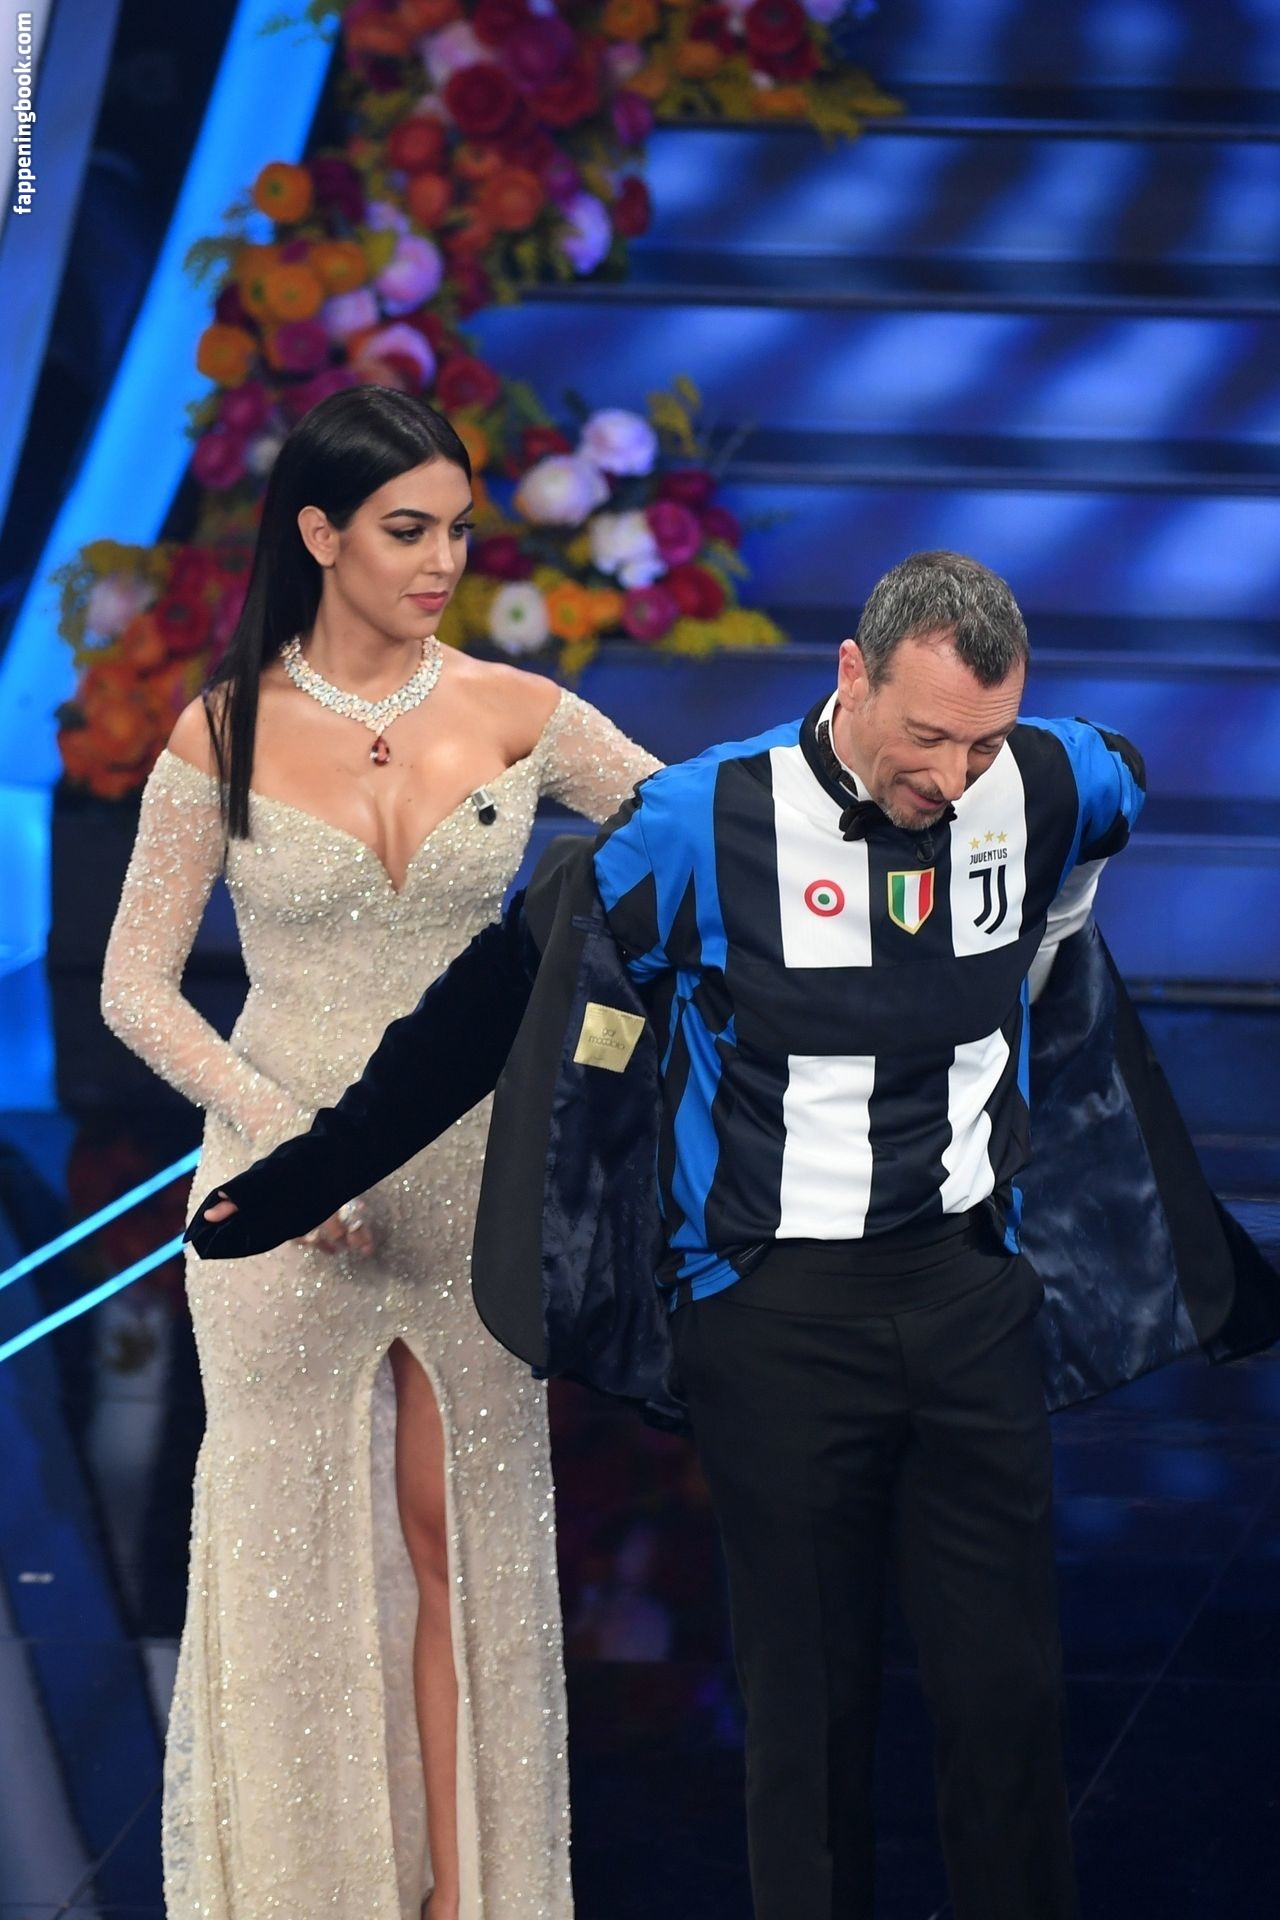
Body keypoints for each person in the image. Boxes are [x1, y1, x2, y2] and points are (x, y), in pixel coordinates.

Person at [186, 551, 1279, 1920]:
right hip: (775, 1322)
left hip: (967, 1299)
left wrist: (1057, 934)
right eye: (926, 736)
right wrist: (314, 1170)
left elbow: (1114, 791)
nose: (952, 776)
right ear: (851, 674)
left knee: (1010, 1705)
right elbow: (500, 994)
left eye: (983, 743)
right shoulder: (698, 825)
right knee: (807, 1721)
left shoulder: (1049, 780)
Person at [101, 385, 660, 1920]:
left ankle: (470, 1896)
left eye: (459, 531)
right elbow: (134, 986)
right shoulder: (220, 732)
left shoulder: (519, 711)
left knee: (461, 1541)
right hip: (282, 1191)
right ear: (320, 533)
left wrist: (594, 1062)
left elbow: (688, 855)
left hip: (473, 1182)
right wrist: (290, 1147)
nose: (442, 563)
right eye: (408, 531)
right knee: (296, 1557)